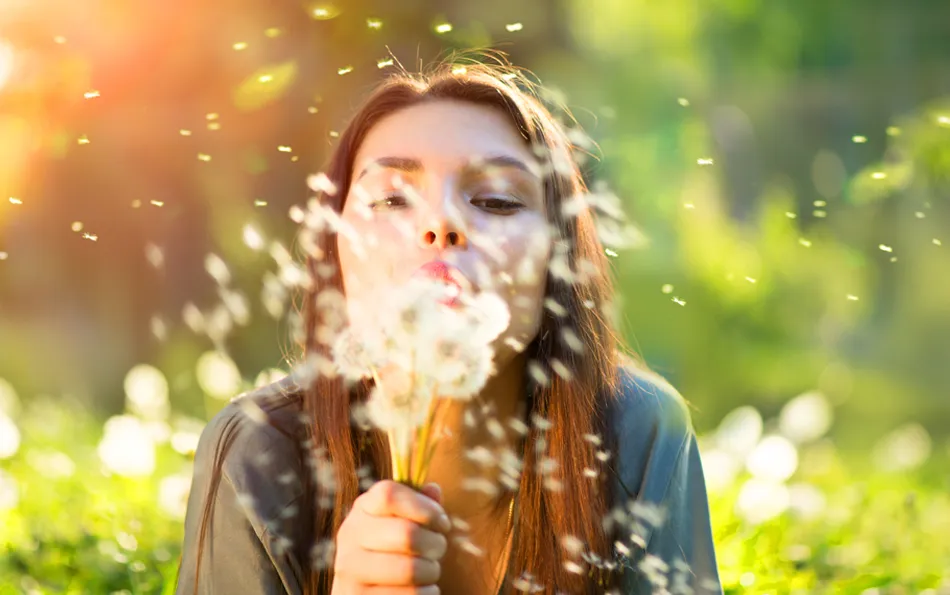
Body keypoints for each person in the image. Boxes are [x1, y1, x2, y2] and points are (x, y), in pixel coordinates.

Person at [175, 51, 723, 595]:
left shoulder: (636, 435)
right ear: (334, 252)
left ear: (558, 258)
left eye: (497, 200)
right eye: (391, 199)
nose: (441, 223)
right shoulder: (256, 458)